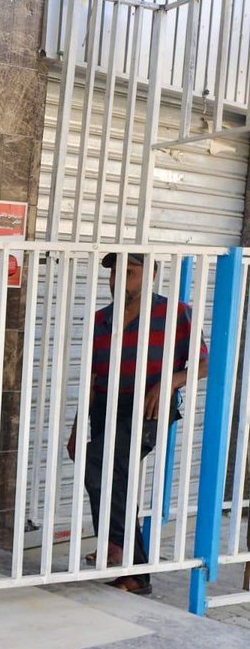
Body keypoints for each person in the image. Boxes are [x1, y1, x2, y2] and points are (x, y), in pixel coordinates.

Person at [67, 251, 207, 595]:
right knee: (109, 474)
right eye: (114, 273)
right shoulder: (102, 319)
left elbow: (204, 364)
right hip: (105, 405)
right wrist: (76, 427)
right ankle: (129, 564)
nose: (118, 280)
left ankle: (118, 549)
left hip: (147, 409)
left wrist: (169, 381)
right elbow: (93, 377)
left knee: (101, 465)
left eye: (129, 272)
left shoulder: (175, 314)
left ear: (151, 275)